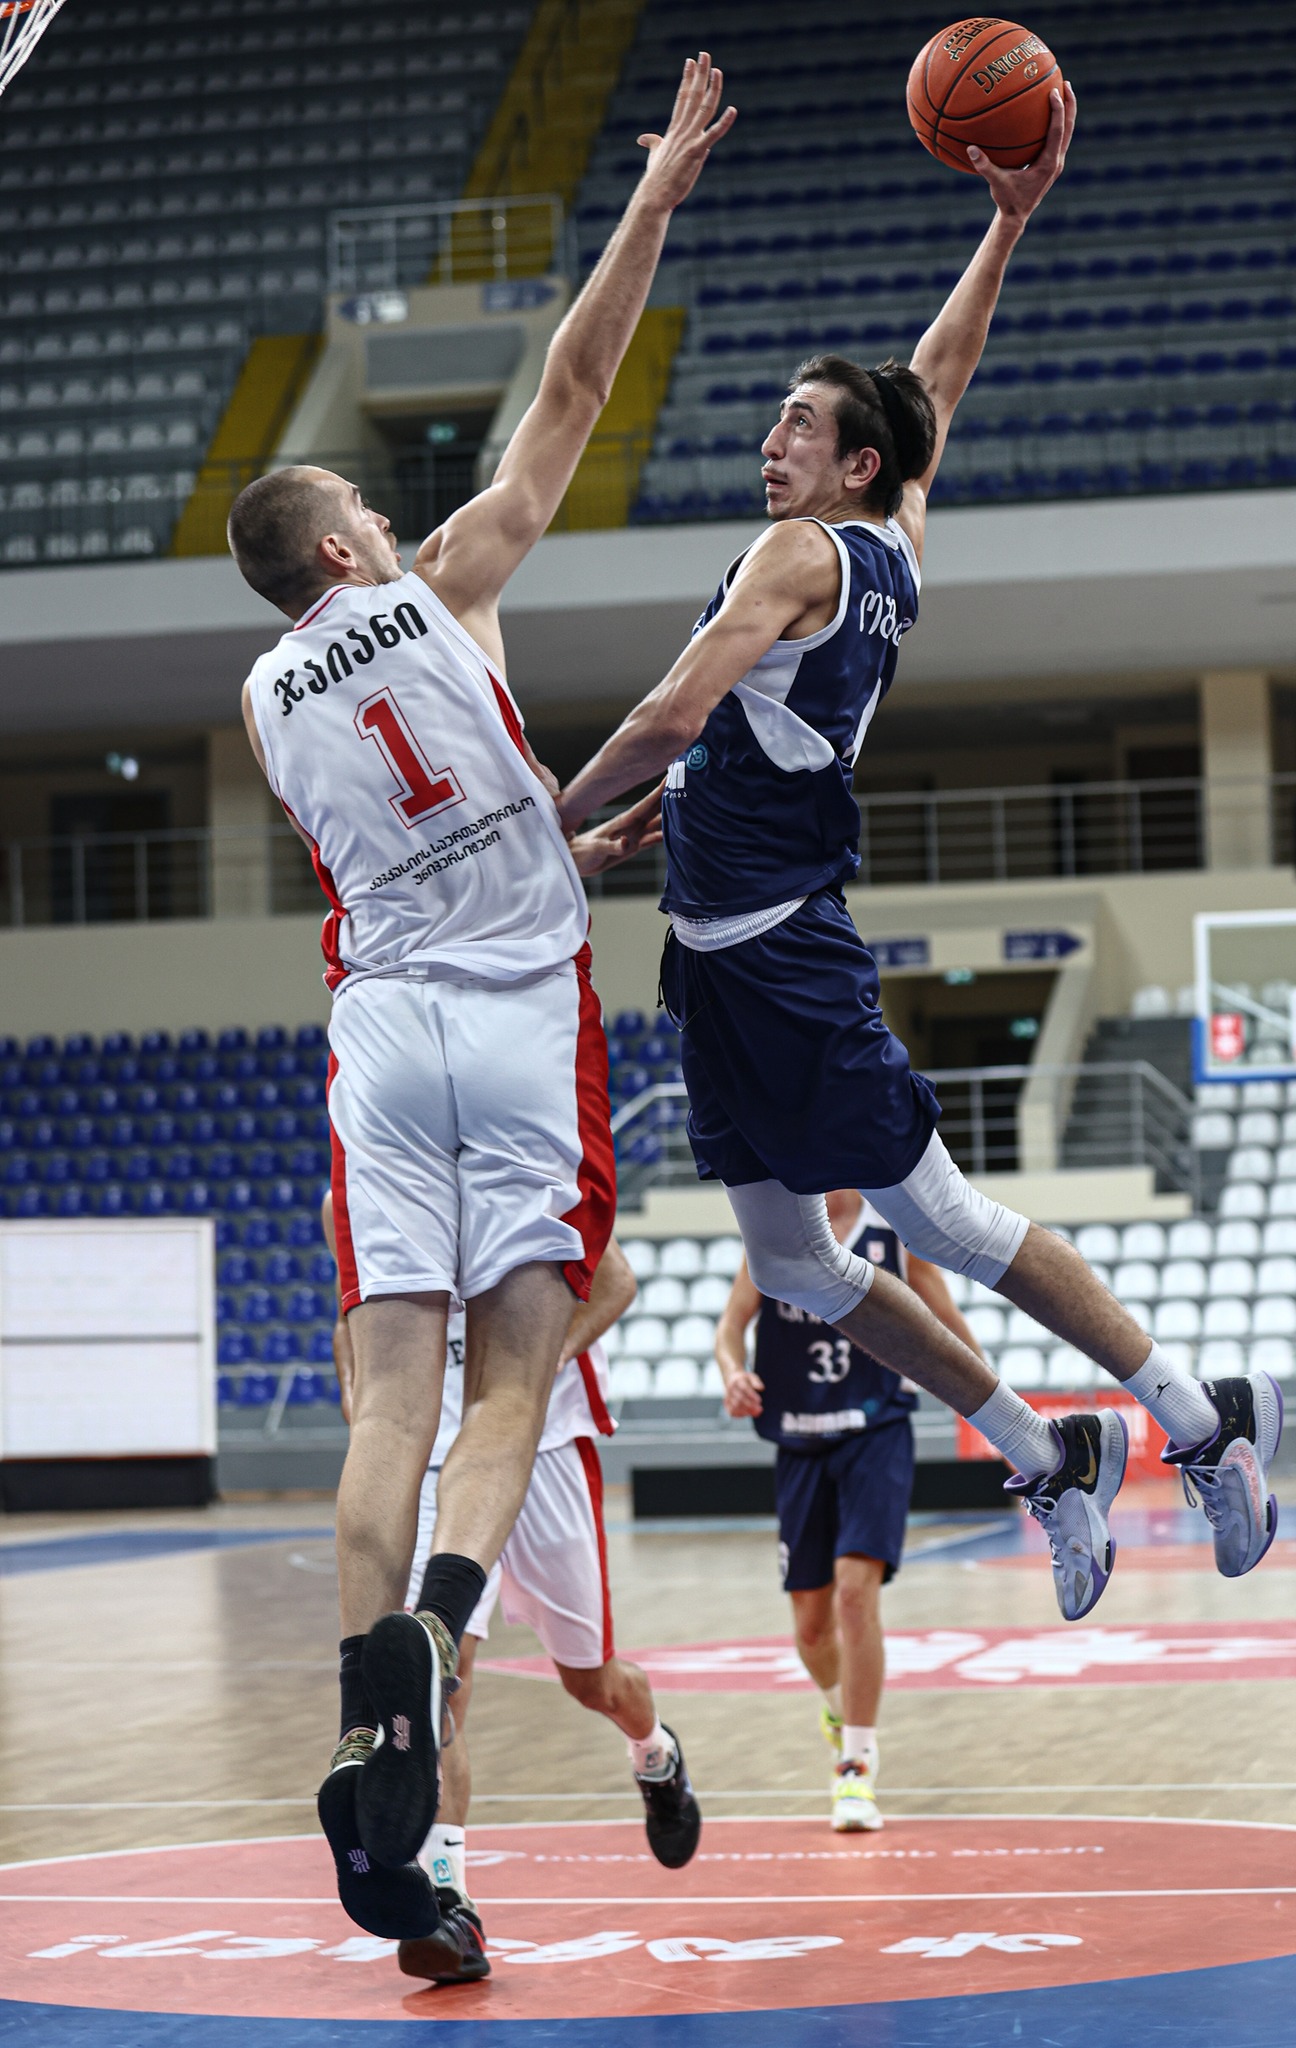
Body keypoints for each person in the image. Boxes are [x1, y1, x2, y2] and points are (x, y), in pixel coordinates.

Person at [555, 83, 1282, 1623]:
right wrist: (1004, 224)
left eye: (800, 425)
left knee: (945, 1219)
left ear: (854, 466)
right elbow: (934, 382)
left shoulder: (796, 553)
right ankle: (1045, 1452)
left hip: (785, 956)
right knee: (800, 1272)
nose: (771, 439)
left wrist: (532, 823)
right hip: (715, 964)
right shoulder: (892, 535)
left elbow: (674, 709)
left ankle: (1200, 1419)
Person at [227, 55, 736, 1942]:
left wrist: (548, 833)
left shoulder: (264, 703)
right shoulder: (443, 586)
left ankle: (372, 1697)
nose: (388, 515)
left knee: (392, 1398)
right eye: (365, 506)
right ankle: (441, 1631)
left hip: (381, 1027)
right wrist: (650, 199)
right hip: (522, 1017)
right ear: (345, 548)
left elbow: (410, 840)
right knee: (518, 1368)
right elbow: (572, 393)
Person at [322, 1196, 701, 1986]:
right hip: (432, 1453)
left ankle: (656, 1756)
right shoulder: (355, 1191)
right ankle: (449, 1903)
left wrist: (536, 1362)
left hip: (542, 1444)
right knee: (435, 1675)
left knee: (592, 1682)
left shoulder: (521, 1164)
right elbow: (350, 1317)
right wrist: (362, 1403)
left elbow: (615, 1282)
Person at [714, 1190, 983, 1833]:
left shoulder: (892, 1230)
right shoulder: (773, 1227)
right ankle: (838, 1710)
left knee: (856, 1595)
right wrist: (732, 1372)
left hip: (876, 1432)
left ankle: (856, 1764)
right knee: (811, 1628)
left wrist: (993, 1408)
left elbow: (945, 1319)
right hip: (798, 1439)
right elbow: (730, 1327)